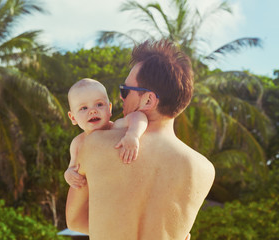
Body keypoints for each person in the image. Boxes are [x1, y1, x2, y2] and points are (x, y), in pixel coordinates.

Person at [65, 39, 215, 240]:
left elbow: (74, 221)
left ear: (148, 100)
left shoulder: (94, 143)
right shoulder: (204, 170)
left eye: (125, 91)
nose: (121, 98)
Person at [64, 78, 148, 189]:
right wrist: (68, 175)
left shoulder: (116, 127)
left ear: (109, 109)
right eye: (84, 108)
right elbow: (73, 168)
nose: (93, 111)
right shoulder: (78, 143)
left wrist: (133, 134)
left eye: (99, 104)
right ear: (73, 117)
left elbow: (138, 116)